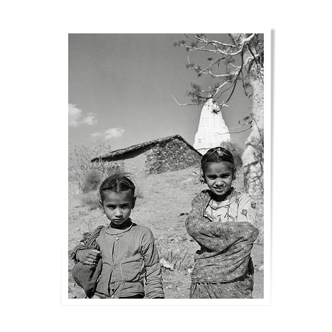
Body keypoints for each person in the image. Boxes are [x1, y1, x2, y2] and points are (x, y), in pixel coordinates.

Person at [70, 172, 165, 299]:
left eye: (124, 206)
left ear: (133, 202)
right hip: (99, 296)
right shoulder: (98, 234)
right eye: (111, 207)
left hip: (131, 297)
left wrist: (157, 298)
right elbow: (76, 250)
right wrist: (80, 254)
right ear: (102, 205)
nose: (118, 213)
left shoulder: (142, 234)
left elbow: (153, 268)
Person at [185, 146, 259, 298]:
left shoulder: (244, 201)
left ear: (234, 174)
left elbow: (246, 236)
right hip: (203, 281)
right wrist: (232, 234)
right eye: (212, 177)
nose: (219, 182)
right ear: (203, 176)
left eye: (224, 176)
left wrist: (207, 232)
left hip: (237, 279)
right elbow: (192, 226)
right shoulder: (202, 200)